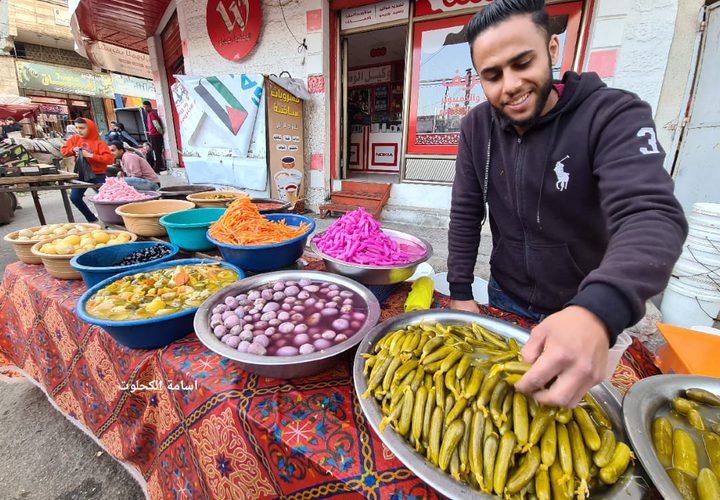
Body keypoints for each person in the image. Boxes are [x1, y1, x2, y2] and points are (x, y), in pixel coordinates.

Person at [448, 0, 688, 408]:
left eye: (523, 63)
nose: (509, 85)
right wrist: (459, 289)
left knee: (579, 414)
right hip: (505, 295)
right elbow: (466, 210)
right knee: (505, 408)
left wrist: (598, 311)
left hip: (584, 310)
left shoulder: (612, 115)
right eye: (492, 75)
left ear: (552, 51)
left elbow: (651, 214)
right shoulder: (476, 126)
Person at [60, 118, 113, 222]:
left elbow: (109, 160)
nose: (79, 131)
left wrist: (90, 155)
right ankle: (91, 219)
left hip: (98, 175)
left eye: (82, 128)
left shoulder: (100, 143)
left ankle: (112, 219)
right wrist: (72, 150)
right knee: (75, 197)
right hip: (81, 174)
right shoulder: (74, 139)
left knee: (108, 199)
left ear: (90, 128)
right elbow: (63, 151)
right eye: (77, 128)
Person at [143, 100, 165, 173]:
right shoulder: (150, 114)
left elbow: (156, 125)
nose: (145, 109)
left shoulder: (152, 114)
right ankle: (157, 166)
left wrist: (161, 132)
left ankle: (158, 167)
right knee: (155, 151)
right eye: (144, 107)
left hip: (155, 135)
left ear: (150, 107)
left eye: (146, 107)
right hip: (153, 135)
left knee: (157, 152)